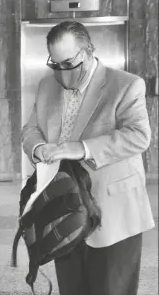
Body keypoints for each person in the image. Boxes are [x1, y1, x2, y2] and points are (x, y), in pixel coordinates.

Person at [21, 21, 155, 295]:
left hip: (113, 212)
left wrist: (81, 148)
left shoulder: (126, 85)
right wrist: (37, 148)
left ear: (88, 51)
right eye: (55, 63)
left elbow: (138, 136)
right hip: (64, 209)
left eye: (68, 63)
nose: (62, 72)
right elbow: (30, 128)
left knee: (112, 289)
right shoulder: (48, 84)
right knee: (72, 288)